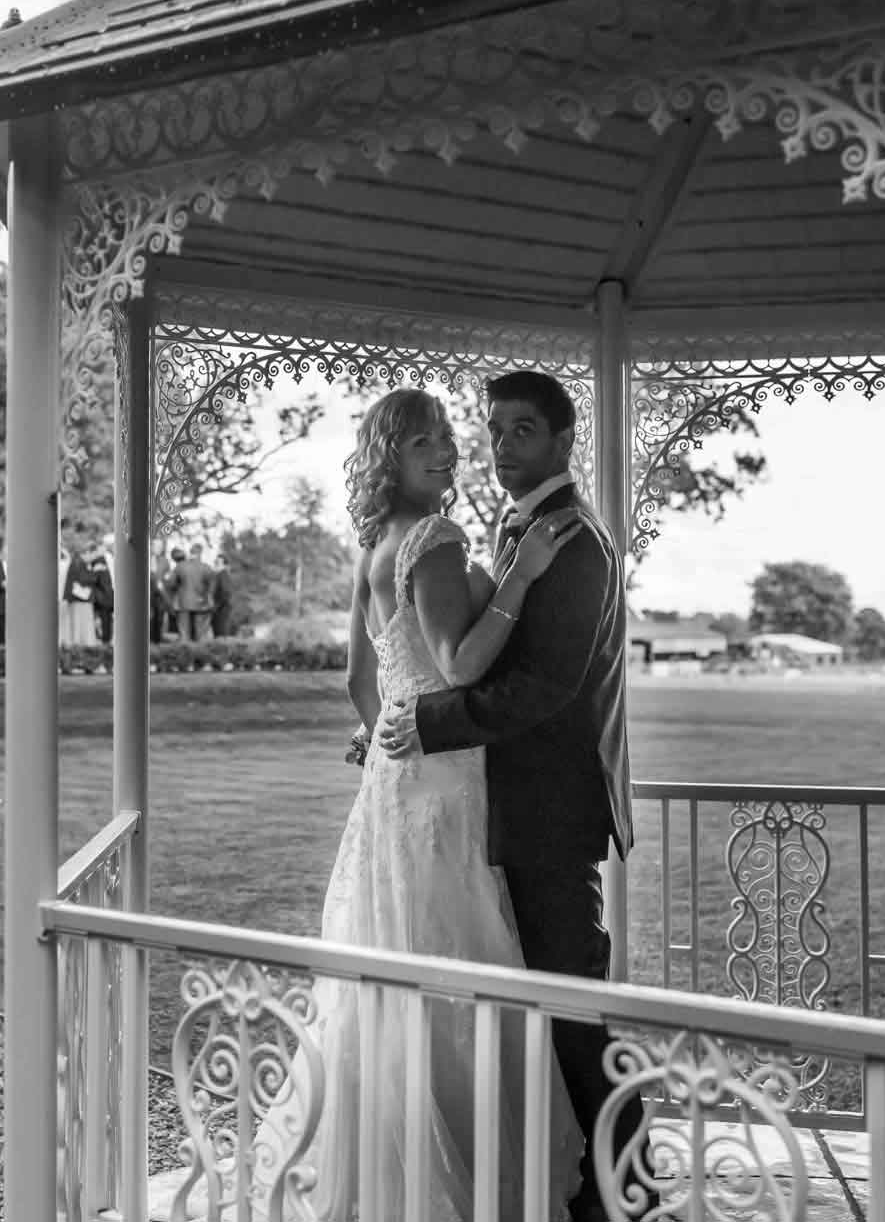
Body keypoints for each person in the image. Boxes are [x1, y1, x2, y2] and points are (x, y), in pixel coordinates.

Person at [199, 387, 586, 1222]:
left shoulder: (374, 540)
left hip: (395, 788)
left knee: (397, 954)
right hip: (445, 785)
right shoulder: (434, 538)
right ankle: (459, 1173)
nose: (446, 452)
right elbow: (460, 667)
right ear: (390, 458)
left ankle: (380, 1167)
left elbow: (359, 681)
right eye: (424, 444)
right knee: (456, 955)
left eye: (449, 437)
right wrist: (519, 575)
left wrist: (382, 744)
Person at [378, 370, 647, 1222]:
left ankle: (628, 1195)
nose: (499, 446)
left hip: (551, 817)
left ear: (564, 442)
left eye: (520, 431)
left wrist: (430, 720)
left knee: (575, 1007)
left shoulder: (576, 543)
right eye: (493, 429)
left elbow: (545, 687)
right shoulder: (522, 527)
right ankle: (569, 1181)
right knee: (550, 1005)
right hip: (508, 812)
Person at [166, 543, 216, 642]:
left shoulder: (180, 566)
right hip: (201, 604)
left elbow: (171, 584)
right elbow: (212, 586)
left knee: (184, 634)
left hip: (183, 603)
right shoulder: (206, 568)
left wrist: (178, 589)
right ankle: (199, 655)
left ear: (191, 553)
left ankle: (184, 654)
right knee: (200, 635)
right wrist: (208, 597)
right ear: (200, 553)